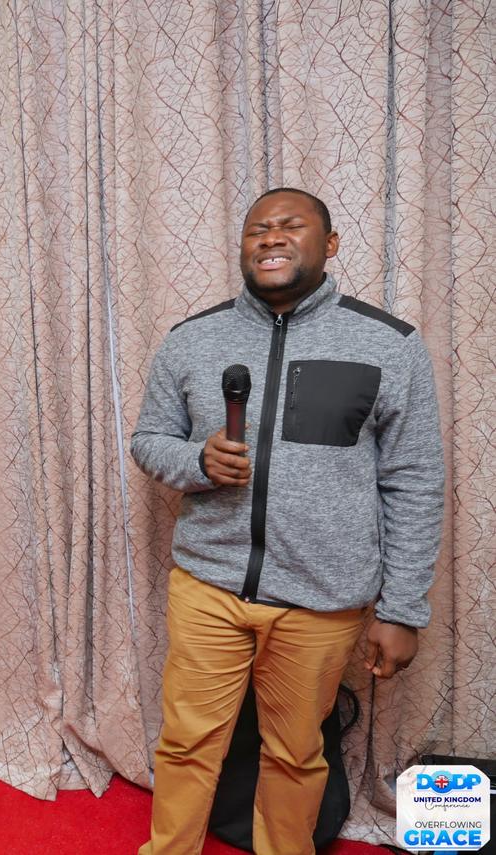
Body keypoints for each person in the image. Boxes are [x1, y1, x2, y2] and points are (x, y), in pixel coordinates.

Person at [130, 188, 445, 854]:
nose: (270, 237)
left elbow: (414, 480)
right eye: (257, 229)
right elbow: (150, 438)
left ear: (329, 245)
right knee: (185, 743)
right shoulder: (192, 339)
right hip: (209, 587)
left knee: (296, 754)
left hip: (320, 599)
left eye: (290, 226)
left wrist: (403, 609)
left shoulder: (388, 344)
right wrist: (196, 460)